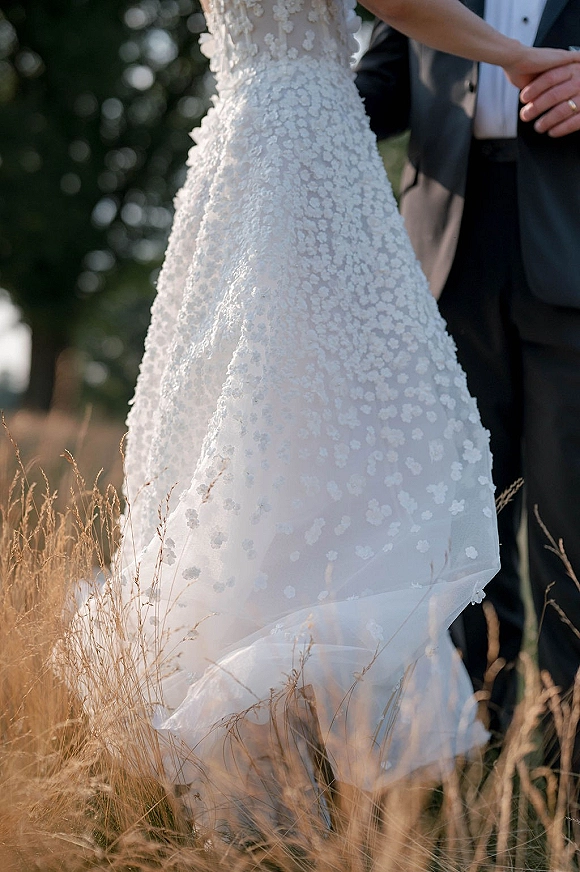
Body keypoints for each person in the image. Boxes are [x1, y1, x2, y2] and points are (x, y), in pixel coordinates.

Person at [83, 0, 573, 817]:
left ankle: (554, 785)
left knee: (553, 530)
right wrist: (506, 56)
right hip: (390, 211)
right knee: (416, 501)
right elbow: (396, 34)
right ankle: (450, 772)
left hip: (283, 154)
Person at [355, 0, 580, 755]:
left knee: (568, 532)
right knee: (459, 527)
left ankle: (565, 776)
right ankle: (469, 745)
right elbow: (380, 88)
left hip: (574, 255)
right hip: (443, 264)